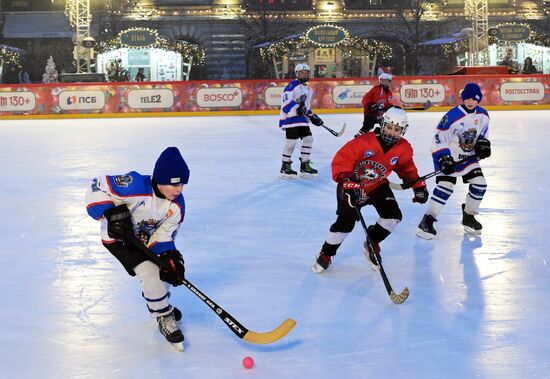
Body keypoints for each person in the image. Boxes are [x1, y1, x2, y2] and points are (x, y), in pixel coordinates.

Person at [85, 147, 189, 350]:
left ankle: (158, 302)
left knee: (165, 271)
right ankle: (163, 316)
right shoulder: (134, 185)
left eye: (183, 183)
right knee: (150, 273)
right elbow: (96, 186)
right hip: (119, 241)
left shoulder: (177, 206)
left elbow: (163, 235)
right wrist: (110, 212)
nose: (179, 189)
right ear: (159, 179)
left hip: (145, 241)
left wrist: (169, 256)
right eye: (173, 183)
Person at [312, 107, 428, 273]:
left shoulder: (403, 148)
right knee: (346, 223)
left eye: (397, 129)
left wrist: (418, 186)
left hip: (378, 186)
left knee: (393, 216)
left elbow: (407, 168)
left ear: (403, 130)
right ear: (382, 124)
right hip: (353, 186)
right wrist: (348, 180)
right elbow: (343, 159)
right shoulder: (364, 142)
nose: (391, 132)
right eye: (389, 127)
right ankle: (326, 254)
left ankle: (372, 242)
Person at [416, 83, 491, 239]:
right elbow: (438, 139)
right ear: (463, 98)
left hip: (467, 158)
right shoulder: (452, 116)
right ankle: (427, 221)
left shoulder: (483, 115)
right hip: (448, 157)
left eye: (474, 99)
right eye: (467, 98)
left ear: (478, 100)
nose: (470, 102)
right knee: (446, 187)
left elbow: (483, 136)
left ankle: (468, 216)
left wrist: (483, 145)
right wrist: (444, 158)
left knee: (480, 184)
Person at [279, 63, 324, 179]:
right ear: (297, 74)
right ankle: (285, 167)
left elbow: (306, 108)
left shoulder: (308, 89)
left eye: (306, 73)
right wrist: (297, 108)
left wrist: (312, 116)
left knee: (309, 139)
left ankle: (304, 165)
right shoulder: (291, 86)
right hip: (291, 119)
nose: (304, 75)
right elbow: (285, 105)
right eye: (301, 73)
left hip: (302, 120)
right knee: (291, 143)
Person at [355, 73, 394, 137]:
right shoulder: (376, 89)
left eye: (388, 81)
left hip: (380, 114)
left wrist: (391, 107)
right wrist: (370, 105)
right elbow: (365, 98)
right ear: (380, 81)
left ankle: (384, 139)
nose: (386, 83)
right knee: (367, 127)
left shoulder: (389, 93)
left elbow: (387, 104)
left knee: (385, 126)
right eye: (384, 81)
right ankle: (357, 138)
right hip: (370, 114)